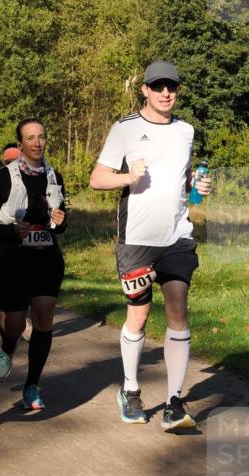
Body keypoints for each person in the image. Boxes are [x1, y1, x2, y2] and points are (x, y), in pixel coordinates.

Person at [90, 60, 210, 431]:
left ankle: (174, 401)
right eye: (158, 86)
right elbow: (97, 179)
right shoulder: (124, 128)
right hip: (137, 238)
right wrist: (128, 176)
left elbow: (183, 179)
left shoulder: (186, 130)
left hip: (176, 236)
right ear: (145, 90)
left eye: (171, 87)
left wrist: (197, 186)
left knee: (178, 312)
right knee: (139, 315)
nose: (165, 93)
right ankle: (130, 389)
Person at [0, 119, 67, 411]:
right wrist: (11, 232)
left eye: (41, 137)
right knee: (16, 323)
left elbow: (61, 221)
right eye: (30, 138)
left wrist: (61, 221)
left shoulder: (54, 175)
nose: (37, 143)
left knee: (44, 317)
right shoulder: (1, 177)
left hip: (46, 258)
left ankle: (32, 385)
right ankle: (8, 346)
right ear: (20, 144)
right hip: (11, 260)